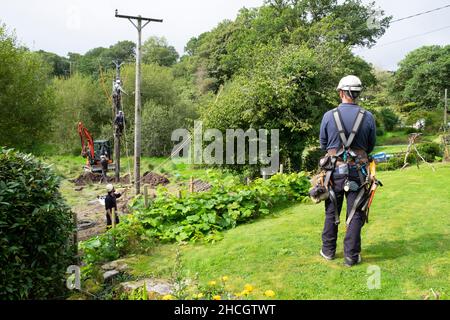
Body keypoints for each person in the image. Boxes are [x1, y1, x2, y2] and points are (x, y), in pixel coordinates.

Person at [319, 75, 376, 267]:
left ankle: (328, 251)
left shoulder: (329, 116)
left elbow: (324, 144)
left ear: (342, 92)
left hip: (333, 172)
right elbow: (370, 146)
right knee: (355, 213)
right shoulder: (367, 117)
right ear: (357, 93)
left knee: (331, 211)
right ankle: (351, 256)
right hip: (358, 171)